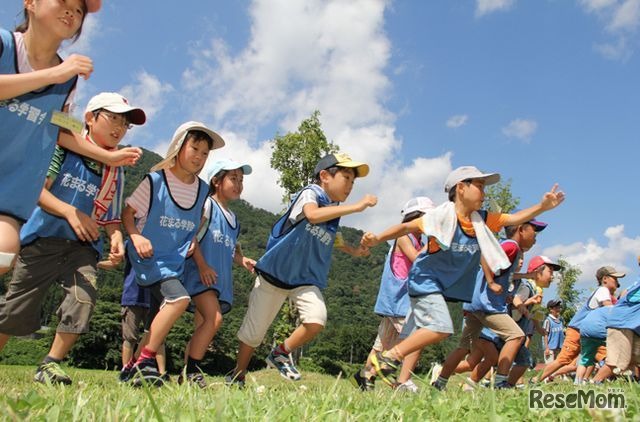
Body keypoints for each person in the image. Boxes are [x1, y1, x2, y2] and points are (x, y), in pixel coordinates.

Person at [361, 165, 565, 388]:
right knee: (440, 327)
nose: (484, 193)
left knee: (438, 330)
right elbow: (407, 227)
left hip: (439, 286)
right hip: (424, 279)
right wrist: (378, 238)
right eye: (479, 186)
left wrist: (542, 207)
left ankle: (390, 360)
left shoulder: (481, 220)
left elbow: (513, 219)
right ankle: (388, 358)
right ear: (460, 188)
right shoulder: (441, 216)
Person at [0, 92, 145, 384]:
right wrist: (70, 212)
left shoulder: (115, 171)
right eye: (113, 118)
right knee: (17, 308)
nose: (119, 128)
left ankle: (50, 364)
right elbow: (37, 191)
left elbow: (111, 218)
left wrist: (116, 239)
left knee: (83, 299)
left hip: (84, 248)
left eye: (125, 124)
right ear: (90, 118)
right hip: (42, 239)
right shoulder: (62, 148)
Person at [0, 0, 142, 276]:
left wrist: (109, 157)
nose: (71, 12)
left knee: (4, 254)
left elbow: (62, 129)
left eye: (79, 10)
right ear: (30, 3)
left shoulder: (69, 82)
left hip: (9, 192)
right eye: (63, 2)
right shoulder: (6, 45)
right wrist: (54, 73)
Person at [225, 153, 376, 386]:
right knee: (253, 334)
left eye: (353, 182)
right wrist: (356, 208)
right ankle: (238, 374)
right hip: (273, 275)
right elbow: (313, 215)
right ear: (324, 176)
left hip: (303, 279)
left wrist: (355, 251)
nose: (350, 186)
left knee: (316, 319)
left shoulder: (334, 209)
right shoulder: (310, 193)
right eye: (346, 178)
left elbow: (333, 238)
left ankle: (281, 353)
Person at [122, 121, 223, 386]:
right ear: (179, 147)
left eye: (205, 153)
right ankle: (145, 362)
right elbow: (128, 213)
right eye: (195, 148)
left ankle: (130, 367)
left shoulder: (203, 190)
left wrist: (190, 242)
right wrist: (135, 235)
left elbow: (197, 220)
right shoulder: (155, 181)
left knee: (160, 318)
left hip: (173, 262)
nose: (199, 157)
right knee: (179, 300)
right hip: (148, 257)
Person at [434, 217, 547, 390]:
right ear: (521, 229)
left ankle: (439, 382)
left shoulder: (508, 246)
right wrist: (491, 282)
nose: (536, 237)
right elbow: (486, 258)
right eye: (534, 231)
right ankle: (502, 381)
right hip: (488, 305)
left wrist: (527, 276)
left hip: (474, 305)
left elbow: (505, 274)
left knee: (463, 348)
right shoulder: (512, 246)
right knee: (516, 336)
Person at [179, 159, 256, 387]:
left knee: (201, 327)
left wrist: (243, 260)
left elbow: (231, 249)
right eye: (233, 178)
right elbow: (191, 235)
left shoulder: (234, 219)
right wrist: (202, 266)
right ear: (216, 181)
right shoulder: (207, 206)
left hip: (218, 281)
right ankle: (193, 371)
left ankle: (184, 377)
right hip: (199, 275)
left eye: (241, 180)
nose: (239, 184)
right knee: (214, 319)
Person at [351, 196, 435, 392]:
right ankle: (403, 381)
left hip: (398, 301)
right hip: (399, 300)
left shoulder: (418, 239)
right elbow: (417, 260)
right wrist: (434, 243)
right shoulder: (404, 237)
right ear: (415, 217)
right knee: (417, 337)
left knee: (382, 346)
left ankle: (363, 379)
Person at [534, 265, 624, 383]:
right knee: (564, 359)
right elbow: (609, 309)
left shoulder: (604, 292)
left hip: (589, 333)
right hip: (577, 329)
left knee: (598, 357)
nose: (617, 283)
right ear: (605, 279)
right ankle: (536, 379)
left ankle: (594, 380)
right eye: (615, 279)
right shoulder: (603, 290)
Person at [118, 262, 166, 382]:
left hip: (154, 297)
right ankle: (126, 372)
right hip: (132, 297)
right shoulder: (131, 243)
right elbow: (116, 261)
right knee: (130, 337)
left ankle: (162, 373)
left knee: (158, 337)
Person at [592, 278, 640, 383]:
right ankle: (593, 384)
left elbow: (624, 294)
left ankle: (630, 385)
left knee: (633, 359)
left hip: (632, 326)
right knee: (617, 362)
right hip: (621, 323)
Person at [542, 299, 565, 364]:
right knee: (550, 368)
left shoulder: (561, 320)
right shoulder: (548, 321)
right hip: (550, 349)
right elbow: (545, 335)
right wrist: (546, 348)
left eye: (559, 307)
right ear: (551, 309)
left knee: (558, 367)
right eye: (556, 308)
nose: (558, 309)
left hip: (560, 348)